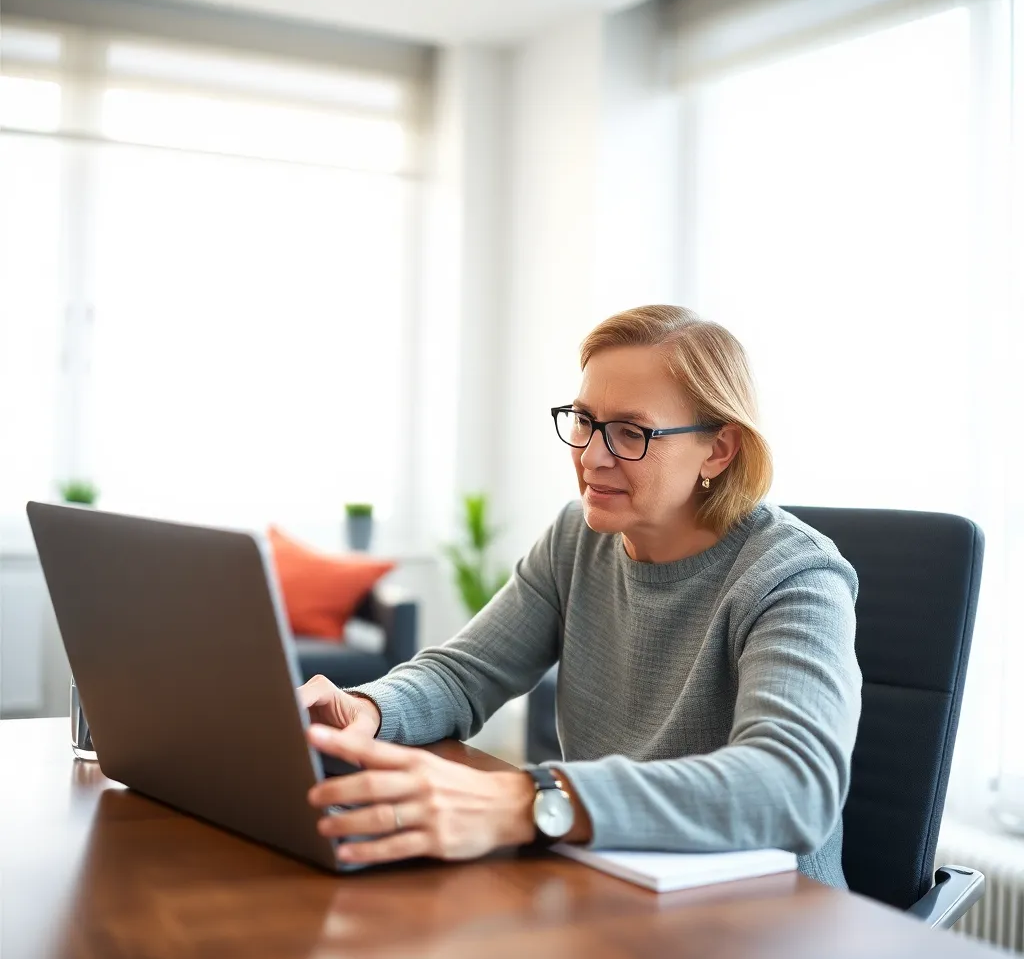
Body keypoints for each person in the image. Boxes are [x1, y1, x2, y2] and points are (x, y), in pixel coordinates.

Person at [299, 304, 862, 888]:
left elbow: (793, 786)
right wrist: (367, 708)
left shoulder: (794, 575)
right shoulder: (578, 538)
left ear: (718, 450)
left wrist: (527, 800)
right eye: (585, 421)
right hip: (613, 882)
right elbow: (465, 674)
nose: (592, 457)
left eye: (630, 433)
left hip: (768, 924)